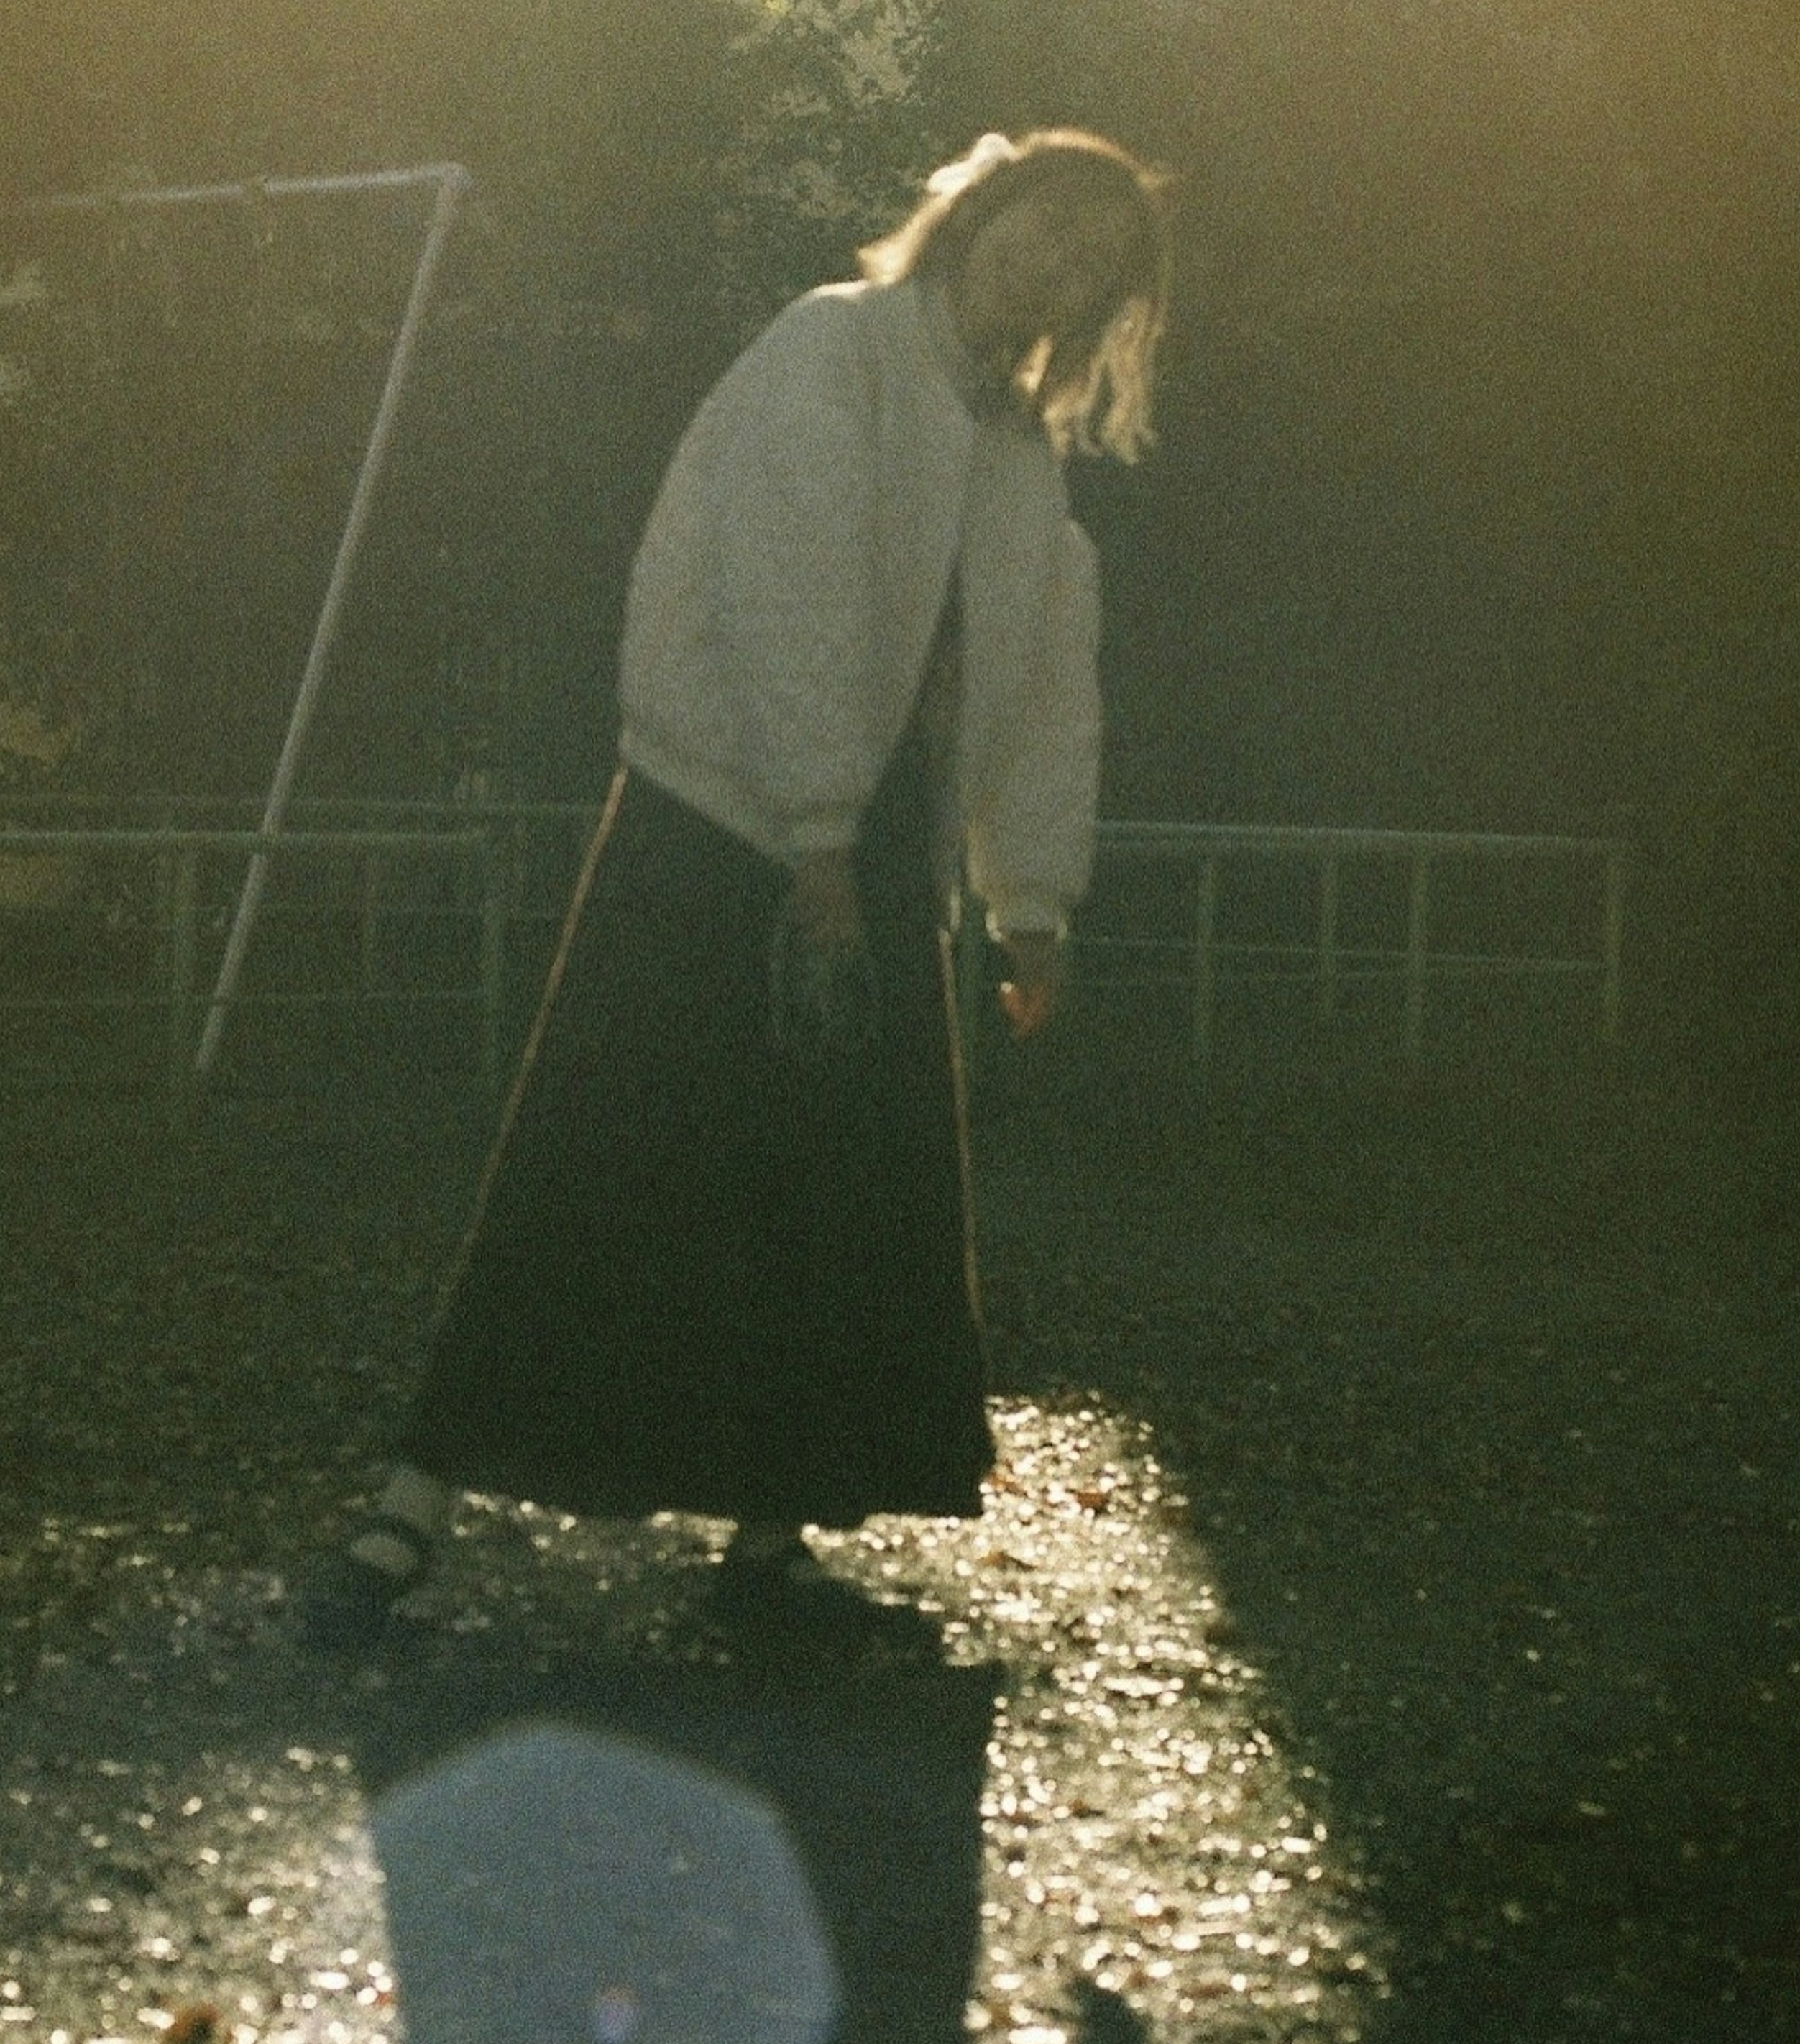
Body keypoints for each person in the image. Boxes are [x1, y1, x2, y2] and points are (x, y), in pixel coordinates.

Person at [321, 127, 1172, 1648]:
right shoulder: (832, 350)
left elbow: (1046, 682)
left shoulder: (1019, 456)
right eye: (1045, 232)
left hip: (880, 843)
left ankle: (772, 1532)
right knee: (603, 1153)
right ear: (978, 217)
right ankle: (411, 1508)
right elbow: (787, 583)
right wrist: (816, 838)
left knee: (845, 1193)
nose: (1056, 273)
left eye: (1093, 268)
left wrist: (1030, 895)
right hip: (721, 822)